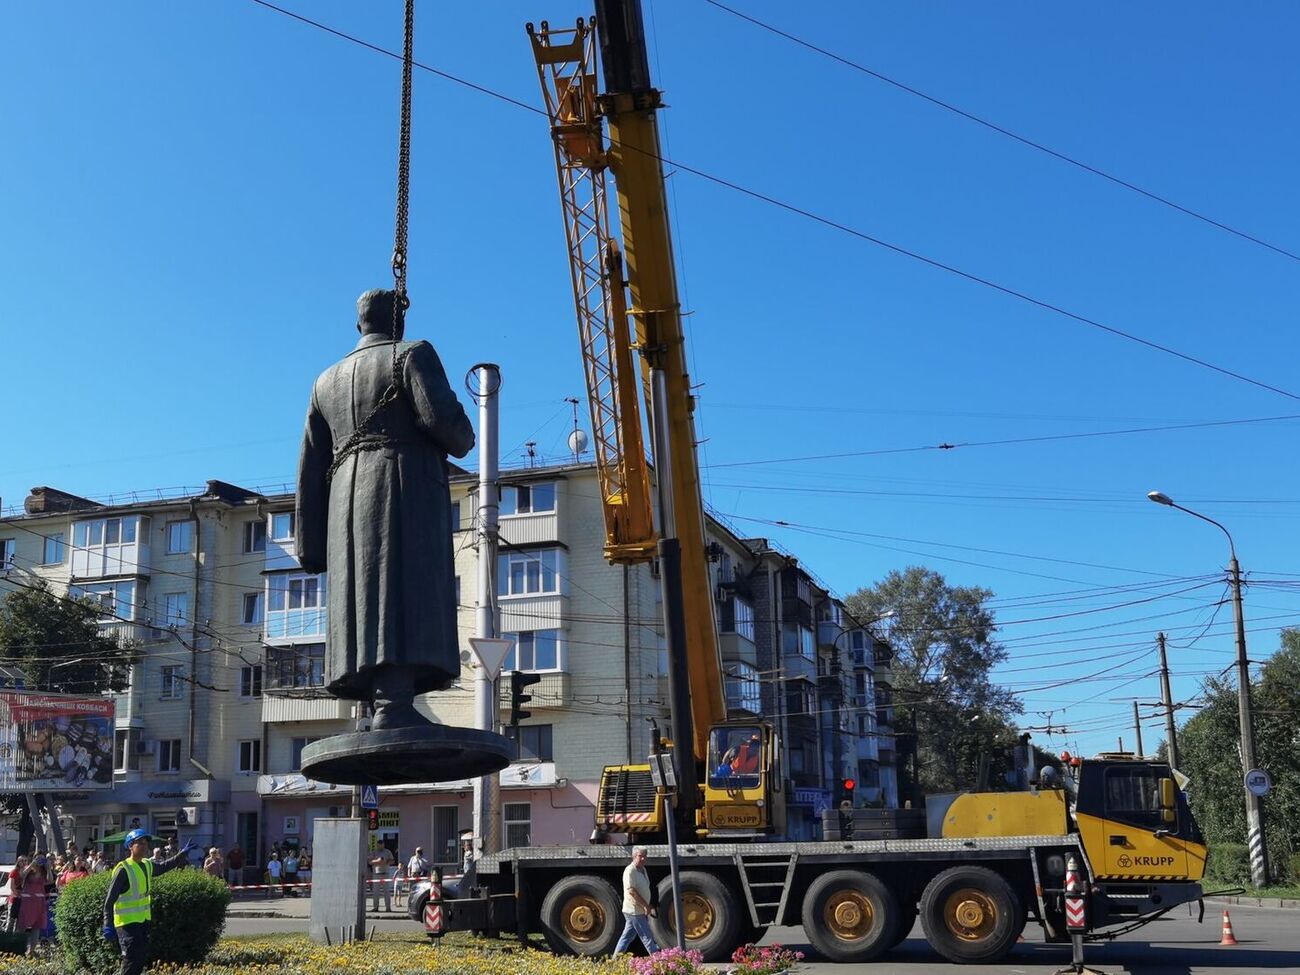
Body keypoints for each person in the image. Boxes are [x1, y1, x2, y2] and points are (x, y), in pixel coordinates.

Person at [296, 288, 475, 729]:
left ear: (359, 324)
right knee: (403, 586)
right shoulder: (413, 353)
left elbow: (309, 465)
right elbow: (447, 427)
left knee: (362, 592)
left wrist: (311, 544)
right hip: (402, 483)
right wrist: (464, 431)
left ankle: (379, 700)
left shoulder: (325, 381)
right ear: (399, 321)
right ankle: (394, 700)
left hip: (345, 497)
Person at [102, 829, 195, 975]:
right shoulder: (123, 869)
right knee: (131, 960)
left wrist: (181, 854)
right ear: (130, 846)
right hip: (126, 924)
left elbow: (164, 866)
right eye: (140, 843)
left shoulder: (146, 864)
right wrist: (107, 923)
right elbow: (109, 900)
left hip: (142, 922)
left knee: (139, 960)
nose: (145, 846)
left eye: (146, 843)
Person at [612, 846, 659, 957]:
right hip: (634, 910)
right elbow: (632, 891)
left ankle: (615, 961)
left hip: (638, 910)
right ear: (634, 856)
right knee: (646, 936)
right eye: (640, 856)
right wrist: (645, 906)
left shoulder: (643, 869)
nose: (643, 858)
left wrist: (647, 905)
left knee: (627, 936)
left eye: (644, 856)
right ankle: (659, 962)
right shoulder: (630, 870)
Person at [19, 853, 53, 955]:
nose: (40, 861)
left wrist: (48, 869)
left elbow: (50, 881)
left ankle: (31, 951)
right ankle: (18, 948)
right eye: (39, 859)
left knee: (36, 926)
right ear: (34, 858)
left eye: (43, 859)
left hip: (39, 901)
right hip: (28, 901)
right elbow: (22, 875)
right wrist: (32, 864)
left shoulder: (44, 871)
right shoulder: (28, 868)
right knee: (23, 925)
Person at [367, 844, 394, 913]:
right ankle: (375, 907)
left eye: (382, 844)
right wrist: (377, 861)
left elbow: (392, 861)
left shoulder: (387, 852)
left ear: (383, 845)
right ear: (377, 845)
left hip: (385, 873)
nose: (380, 846)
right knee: (376, 892)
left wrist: (386, 862)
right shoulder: (374, 852)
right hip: (376, 874)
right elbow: (369, 862)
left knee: (386, 892)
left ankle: (388, 908)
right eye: (379, 845)